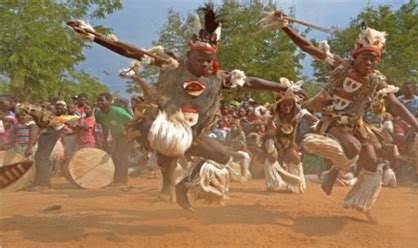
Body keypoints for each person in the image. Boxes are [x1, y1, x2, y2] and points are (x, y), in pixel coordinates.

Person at [68, 5, 299, 210]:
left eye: (209, 61)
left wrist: (281, 87)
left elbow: (249, 81)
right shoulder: (172, 67)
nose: (206, 65)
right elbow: (132, 51)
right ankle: (167, 184)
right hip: (163, 129)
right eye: (200, 60)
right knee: (169, 154)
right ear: (189, 56)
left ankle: (184, 184)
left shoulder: (219, 77)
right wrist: (95, 37)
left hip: (195, 135)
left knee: (222, 156)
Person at [267, 12, 418, 217]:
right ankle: (331, 173)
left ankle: (361, 202)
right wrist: (285, 27)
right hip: (332, 120)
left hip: (357, 124)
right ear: (355, 55)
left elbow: (395, 105)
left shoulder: (377, 81)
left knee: (372, 162)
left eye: (373, 59)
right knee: (353, 147)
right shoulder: (341, 66)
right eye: (365, 57)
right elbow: (308, 47)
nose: (369, 63)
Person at [261, 80, 317, 193]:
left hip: (288, 142)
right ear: (280, 105)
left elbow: (312, 119)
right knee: (273, 156)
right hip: (272, 140)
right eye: (284, 105)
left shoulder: (297, 113)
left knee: (296, 159)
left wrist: (319, 124)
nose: (287, 107)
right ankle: (274, 183)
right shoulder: (273, 114)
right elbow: (269, 128)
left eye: (290, 105)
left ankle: (294, 185)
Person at [95, 92, 133, 186]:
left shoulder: (119, 111)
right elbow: (104, 127)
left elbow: (133, 122)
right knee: (114, 157)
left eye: (102, 100)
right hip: (114, 136)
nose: (99, 102)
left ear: (109, 101)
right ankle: (116, 179)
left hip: (125, 135)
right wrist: (104, 140)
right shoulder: (98, 114)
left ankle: (123, 181)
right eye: (98, 100)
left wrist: (127, 133)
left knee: (122, 158)